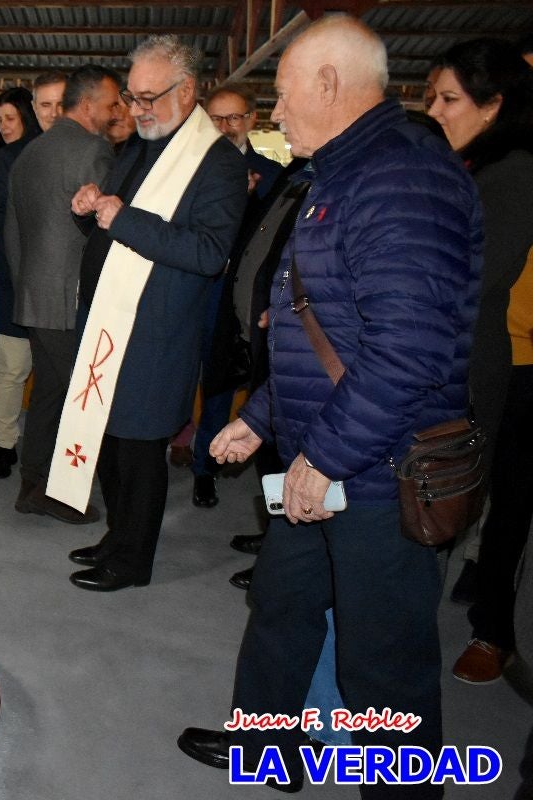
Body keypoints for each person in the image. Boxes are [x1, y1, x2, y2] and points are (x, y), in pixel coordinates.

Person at [177, 18, 483, 795]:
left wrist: (325, 456)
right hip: (329, 457)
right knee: (282, 609)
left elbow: (407, 352)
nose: (275, 113)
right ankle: (268, 751)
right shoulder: (343, 173)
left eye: (280, 96)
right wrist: (263, 418)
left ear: (328, 84)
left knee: (382, 662)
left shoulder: (404, 179)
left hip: (378, 473)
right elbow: (333, 336)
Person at [58, 36, 246, 591]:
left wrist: (121, 219)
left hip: (155, 335)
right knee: (110, 444)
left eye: (146, 97)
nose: (134, 109)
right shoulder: (140, 145)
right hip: (108, 323)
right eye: (130, 98)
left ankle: (133, 561)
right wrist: (88, 210)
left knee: (140, 455)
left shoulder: (216, 163)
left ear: (186, 90)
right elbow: (116, 225)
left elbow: (209, 252)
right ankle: (117, 538)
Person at [426, 37, 533, 685]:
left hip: (517, 362)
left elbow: (477, 275)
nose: (435, 111)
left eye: (449, 99)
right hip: (489, 354)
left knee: (506, 501)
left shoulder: (514, 170)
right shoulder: (473, 164)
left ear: (493, 106)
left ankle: (495, 630)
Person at [5, 65, 123, 524]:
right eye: (112, 103)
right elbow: (105, 231)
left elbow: (11, 233)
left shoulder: (29, 153)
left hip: (35, 295)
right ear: (89, 103)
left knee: (51, 394)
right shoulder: (94, 149)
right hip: (72, 298)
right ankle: (62, 492)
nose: (116, 113)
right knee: (85, 403)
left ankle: (33, 485)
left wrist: (28, 284)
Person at [189, 82, 284, 510]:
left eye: (235, 117)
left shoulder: (274, 177)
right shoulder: (188, 171)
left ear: (252, 120)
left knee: (224, 383)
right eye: (216, 118)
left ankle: (206, 468)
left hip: (241, 301)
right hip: (191, 291)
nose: (226, 126)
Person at [0, 83, 50, 479]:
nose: (5, 126)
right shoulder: (5, 159)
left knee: (53, 372)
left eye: (11, 118)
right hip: (14, 277)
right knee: (12, 368)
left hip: (56, 285)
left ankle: (48, 448)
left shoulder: (56, 152)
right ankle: (5, 444)